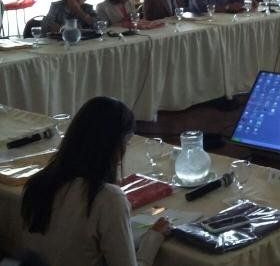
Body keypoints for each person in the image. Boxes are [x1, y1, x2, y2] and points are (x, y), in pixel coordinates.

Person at [21, 97, 169, 266]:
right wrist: (152, 239)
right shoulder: (108, 198)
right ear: (116, 145)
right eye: (126, 143)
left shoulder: (38, 183)